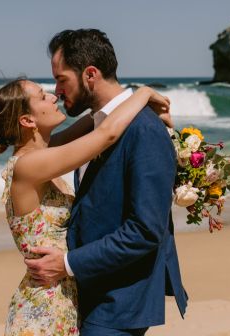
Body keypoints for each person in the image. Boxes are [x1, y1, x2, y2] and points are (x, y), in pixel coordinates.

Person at [25, 29, 188, 335]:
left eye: (61, 79)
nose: (57, 91)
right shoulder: (98, 125)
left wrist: (68, 264)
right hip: (90, 294)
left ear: (90, 74)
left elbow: (145, 230)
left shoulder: (143, 129)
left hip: (119, 302)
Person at [0, 77, 173, 335]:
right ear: (27, 121)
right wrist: (142, 93)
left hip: (60, 293)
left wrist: (133, 108)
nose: (54, 97)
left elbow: (99, 118)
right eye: (43, 96)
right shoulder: (28, 166)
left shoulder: (46, 150)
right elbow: (106, 134)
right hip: (44, 305)